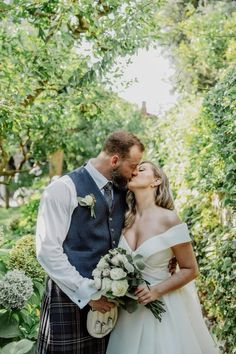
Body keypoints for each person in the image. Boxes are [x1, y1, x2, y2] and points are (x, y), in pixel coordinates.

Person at [35, 130, 145, 354]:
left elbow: (143, 226)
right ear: (114, 159)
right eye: (133, 166)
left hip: (110, 302)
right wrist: (89, 294)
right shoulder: (62, 189)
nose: (135, 173)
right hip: (68, 297)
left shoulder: (124, 191)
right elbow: (47, 251)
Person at [106, 161, 219, 354]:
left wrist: (156, 291)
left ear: (156, 180)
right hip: (127, 314)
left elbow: (191, 269)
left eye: (141, 169)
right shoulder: (123, 219)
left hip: (163, 309)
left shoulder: (170, 219)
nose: (135, 172)